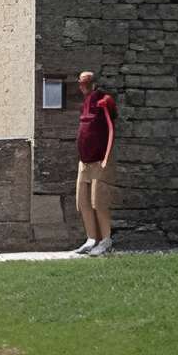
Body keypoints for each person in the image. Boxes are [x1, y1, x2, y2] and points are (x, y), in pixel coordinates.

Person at [71, 70, 117, 256]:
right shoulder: (86, 102)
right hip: (85, 161)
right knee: (82, 200)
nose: (81, 85)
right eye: (80, 82)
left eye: (85, 82)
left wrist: (106, 157)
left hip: (99, 160)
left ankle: (106, 240)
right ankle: (91, 238)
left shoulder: (104, 101)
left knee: (98, 201)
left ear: (93, 83)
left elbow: (111, 128)